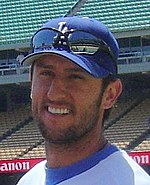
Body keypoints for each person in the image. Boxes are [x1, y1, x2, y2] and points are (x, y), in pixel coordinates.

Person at [17, 16, 150, 185]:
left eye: (75, 77)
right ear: (31, 82)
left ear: (110, 94)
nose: (55, 93)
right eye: (46, 74)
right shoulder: (30, 179)